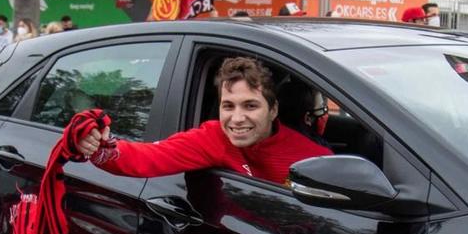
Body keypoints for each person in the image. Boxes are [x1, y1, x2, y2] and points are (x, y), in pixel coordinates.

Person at [74, 55, 329, 186]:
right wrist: (98, 145)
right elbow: (146, 157)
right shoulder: (213, 137)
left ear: (273, 110)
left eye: (250, 106)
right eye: (228, 106)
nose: (237, 118)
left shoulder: (313, 157)